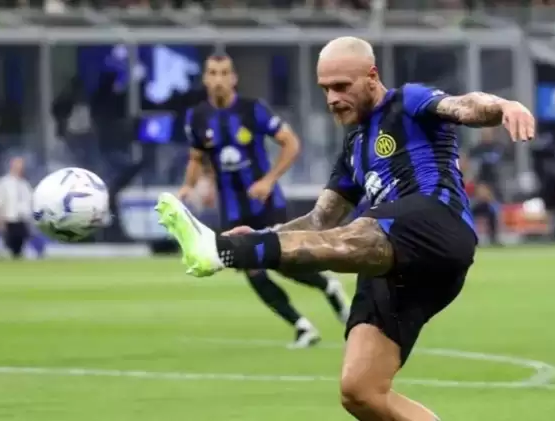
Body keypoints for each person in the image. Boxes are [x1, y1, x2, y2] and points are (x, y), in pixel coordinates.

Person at [157, 37, 534, 421]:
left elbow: (464, 105)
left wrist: (504, 106)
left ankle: (221, 252)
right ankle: (231, 248)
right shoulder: (352, 149)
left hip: (436, 226)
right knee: (360, 392)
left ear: (372, 76)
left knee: (363, 229)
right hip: (399, 266)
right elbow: (318, 222)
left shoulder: (407, 101)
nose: (332, 99)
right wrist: (263, 236)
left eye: (341, 86)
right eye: (325, 89)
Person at [179, 54, 350, 349]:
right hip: (232, 209)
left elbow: (291, 143)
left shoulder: (252, 109)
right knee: (251, 268)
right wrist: (188, 187)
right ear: (205, 78)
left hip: (267, 204)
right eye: (212, 73)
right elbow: (196, 157)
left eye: (224, 73)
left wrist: (269, 180)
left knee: (283, 262)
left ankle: (327, 285)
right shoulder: (197, 117)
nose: (218, 79)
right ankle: (302, 326)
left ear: (233, 78)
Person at [0, 157, 33, 259]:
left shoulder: (24, 184)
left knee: (20, 247)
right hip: (9, 219)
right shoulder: (3, 183)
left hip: (22, 219)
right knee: (9, 246)